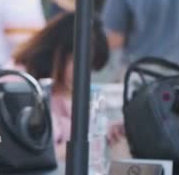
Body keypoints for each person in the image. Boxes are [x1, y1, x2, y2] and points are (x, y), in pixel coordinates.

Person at [11, 13, 109, 160]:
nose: (84, 74)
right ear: (59, 52)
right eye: (81, 63)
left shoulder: (62, 91)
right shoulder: (17, 83)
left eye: (90, 68)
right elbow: (36, 158)